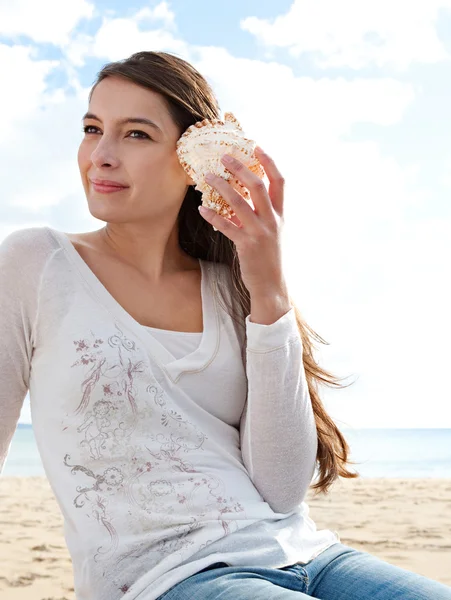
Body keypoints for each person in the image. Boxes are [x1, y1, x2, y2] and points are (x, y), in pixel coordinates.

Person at [0, 51, 449, 600]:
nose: (101, 155)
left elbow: (282, 491)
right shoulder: (35, 262)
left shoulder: (229, 287)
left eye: (136, 134)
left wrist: (269, 289)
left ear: (193, 163)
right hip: (167, 580)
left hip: (311, 556)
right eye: (92, 129)